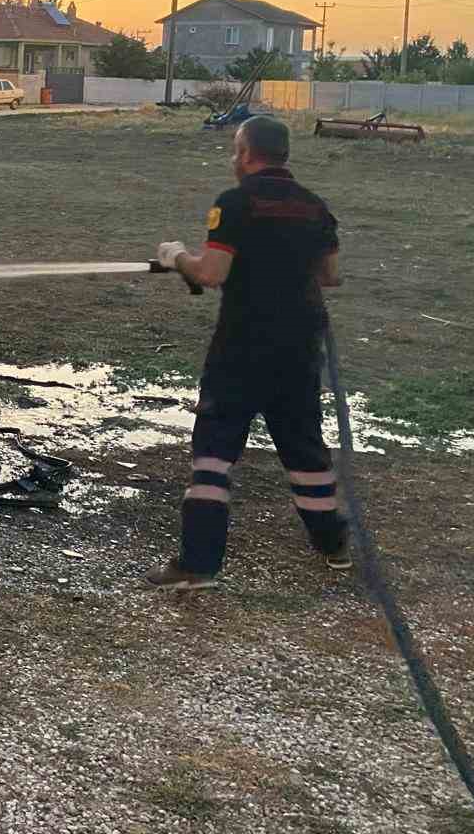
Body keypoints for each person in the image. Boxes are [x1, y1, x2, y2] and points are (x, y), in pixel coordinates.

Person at [149, 115, 347, 591]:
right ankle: (333, 546)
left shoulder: (236, 203)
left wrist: (175, 257)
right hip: (299, 344)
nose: (233, 158)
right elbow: (330, 275)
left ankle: (198, 564)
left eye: (236, 149)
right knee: (302, 447)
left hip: (242, 345)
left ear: (246, 153)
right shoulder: (314, 206)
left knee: (215, 452)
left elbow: (212, 272)